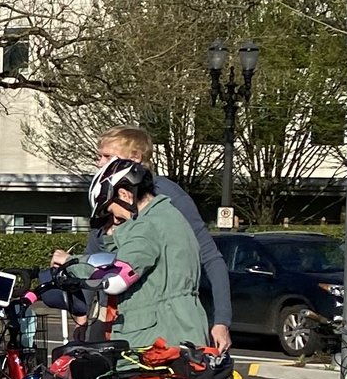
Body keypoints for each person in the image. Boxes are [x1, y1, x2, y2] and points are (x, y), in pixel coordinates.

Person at [51, 124, 232, 352]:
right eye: (98, 156)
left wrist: (221, 320)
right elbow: (94, 254)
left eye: (106, 156)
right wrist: (82, 313)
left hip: (157, 321)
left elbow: (210, 258)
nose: (99, 163)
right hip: (116, 315)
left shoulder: (167, 200)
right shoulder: (110, 196)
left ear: (135, 158)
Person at [89, 156, 211, 354]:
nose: (114, 218)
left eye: (111, 210)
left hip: (153, 339)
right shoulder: (170, 215)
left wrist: (71, 269)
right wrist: (113, 238)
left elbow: (117, 278)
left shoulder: (145, 226)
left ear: (124, 194)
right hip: (186, 328)